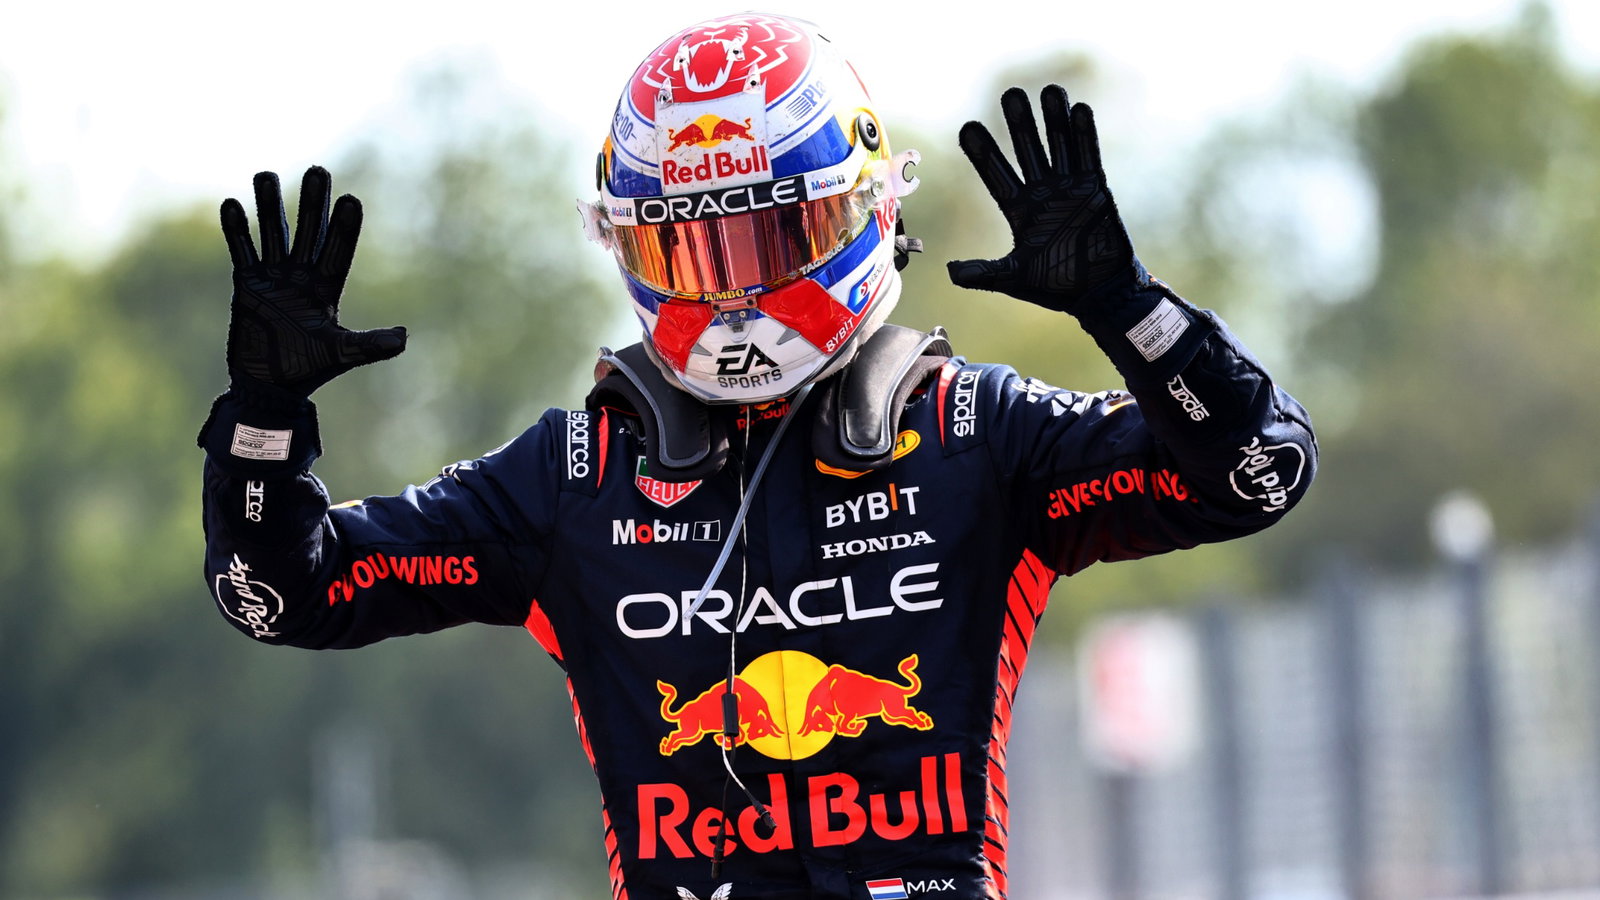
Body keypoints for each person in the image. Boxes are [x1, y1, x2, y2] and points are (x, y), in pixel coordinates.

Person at [199, 12, 1315, 900]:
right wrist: (263, 419)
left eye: (769, 236)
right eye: (692, 249)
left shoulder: (977, 434)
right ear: (626, 248)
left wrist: (1128, 308)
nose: (733, 291)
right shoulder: (573, 475)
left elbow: (1255, 471)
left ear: (863, 211)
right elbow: (283, 595)